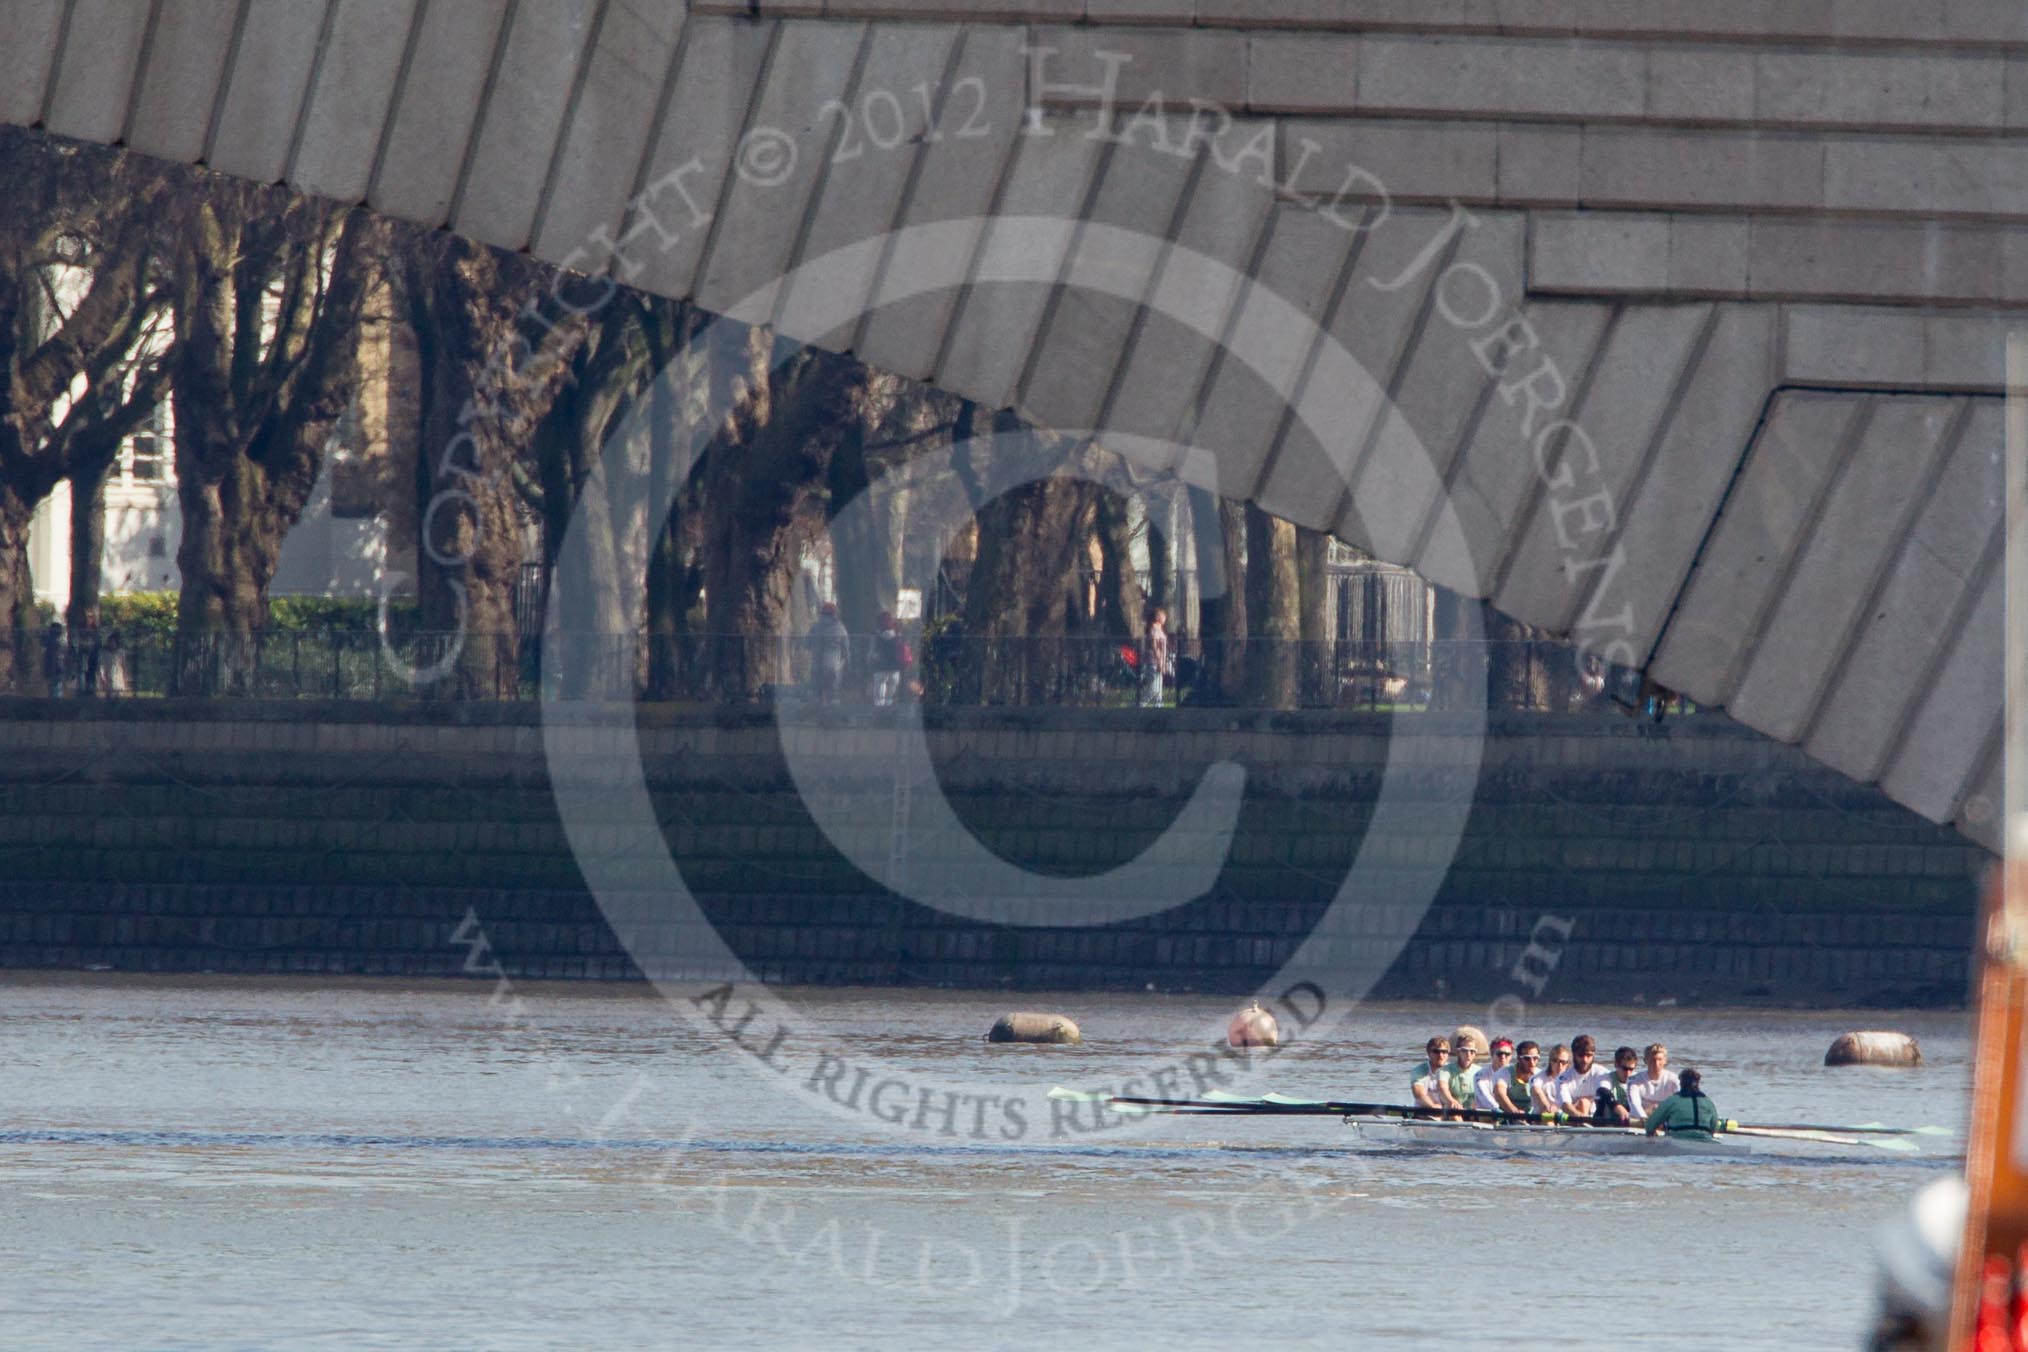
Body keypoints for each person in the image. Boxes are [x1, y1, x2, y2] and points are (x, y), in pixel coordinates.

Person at [1644, 1067, 1721, 1138]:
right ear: (1698, 1083)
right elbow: (1714, 1128)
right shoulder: (1708, 1102)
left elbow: (1650, 1126)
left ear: (1681, 1083)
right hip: (1704, 1140)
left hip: (1676, 1140)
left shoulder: (1672, 1101)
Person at [1555, 1035, 1613, 1118]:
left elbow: (1607, 1095)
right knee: (1583, 1103)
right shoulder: (1563, 1079)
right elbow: (1565, 1105)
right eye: (1581, 1055)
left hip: (1598, 1118)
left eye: (1589, 1055)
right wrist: (1583, 1118)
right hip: (1574, 1120)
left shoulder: (1602, 1073)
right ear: (1573, 1054)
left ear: (1594, 1055)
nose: (1585, 1060)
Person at [807, 604, 849, 704]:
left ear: (822, 614)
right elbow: (846, 648)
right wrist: (846, 662)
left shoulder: (815, 627)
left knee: (816, 692)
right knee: (834, 693)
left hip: (816, 665)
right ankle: (833, 715)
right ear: (835, 614)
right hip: (833, 666)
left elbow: (807, 644)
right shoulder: (840, 628)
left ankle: (817, 715)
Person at [1627, 1042, 1679, 1122]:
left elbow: (1680, 1102)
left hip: (1667, 1119)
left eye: (1659, 1060)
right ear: (1645, 1061)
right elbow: (1634, 1104)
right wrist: (1645, 1120)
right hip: (1641, 1119)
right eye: (1652, 1060)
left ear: (1665, 1061)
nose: (1656, 1064)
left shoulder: (1674, 1079)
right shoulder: (1634, 1080)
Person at [869, 610, 910, 706]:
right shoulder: (898, 635)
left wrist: (871, 663)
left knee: (879, 697)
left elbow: (872, 652)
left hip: (880, 667)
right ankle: (889, 714)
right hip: (895, 667)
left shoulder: (875, 635)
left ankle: (879, 713)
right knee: (890, 697)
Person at [1410, 1036, 1461, 1114]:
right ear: (1428, 1053)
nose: (1440, 1055)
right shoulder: (1418, 1071)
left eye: (1444, 1052)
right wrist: (1433, 1106)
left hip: (1447, 1112)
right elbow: (1419, 1094)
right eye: (1436, 1051)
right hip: (1424, 1111)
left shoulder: (1453, 1070)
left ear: (1448, 1054)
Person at [1592, 1046, 1640, 1126]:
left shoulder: (1637, 1079)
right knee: (1603, 1098)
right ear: (1616, 1065)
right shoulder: (1605, 1078)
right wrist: (1618, 1107)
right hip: (1608, 1121)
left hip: (1631, 1120)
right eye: (1624, 1068)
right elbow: (1603, 1091)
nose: (1628, 1073)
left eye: (1631, 1069)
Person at [1491, 1040, 1540, 1116]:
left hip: (1533, 1117)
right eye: (1527, 1059)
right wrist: (1515, 1112)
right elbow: (1499, 1094)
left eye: (1535, 1058)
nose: (1532, 1063)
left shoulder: (1540, 1075)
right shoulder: (1504, 1073)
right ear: (1518, 1059)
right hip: (1508, 1116)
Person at [1140, 607, 1173, 707]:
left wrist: (1164, 662)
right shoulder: (1154, 630)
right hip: (1153, 663)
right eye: (1163, 616)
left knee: (1158, 689)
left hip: (1160, 662)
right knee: (1153, 689)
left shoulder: (1159, 630)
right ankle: (1139, 705)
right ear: (1158, 617)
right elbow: (1155, 647)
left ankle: (1159, 708)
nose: (1165, 618)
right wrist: (1159, 662)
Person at [1474, 1038, 1515, 1112]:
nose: (1503, 1057)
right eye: (1499, 1053)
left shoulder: (1515, 1072)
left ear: (1511, 1056)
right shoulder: (1480, 1075)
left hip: (1511, 1112)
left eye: (1507, 1054)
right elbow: (1484, 1097)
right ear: (1492, 1054)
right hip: (1488, 1113)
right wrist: (1497, 1108)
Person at [1532, 1044, 1571, 1113]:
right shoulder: (1539, 1078)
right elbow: (1536, 1090)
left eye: (1563, 1062)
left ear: (1568, 1063)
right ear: (1550, 1061)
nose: (1559, 1065)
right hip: (1545, 1115)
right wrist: (1548, 1107)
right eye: (1555, 1061)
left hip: (1566, 1114)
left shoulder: (1572, 1078)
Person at [1448, 1037, 1482, 1112]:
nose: (1468, 1054)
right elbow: (1442, 1089)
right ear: (1457, 1052)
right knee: (1455, 1115)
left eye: (1472, 1051)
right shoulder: (1445, 1070)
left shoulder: (1480, 1071)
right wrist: (1452, 1101)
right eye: (1464, 1051)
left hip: (1474, 1111)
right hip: (1453, 1111)